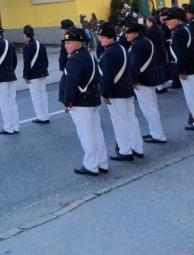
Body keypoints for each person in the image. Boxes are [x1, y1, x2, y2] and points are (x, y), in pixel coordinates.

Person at [60, 28, 108, 176]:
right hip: (92, 99)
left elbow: (71, 83)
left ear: (77, 43)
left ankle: (90, 165)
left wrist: (68, 101)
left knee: (86, 134)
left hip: (81, 102)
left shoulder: (75, 60)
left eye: (68, 43)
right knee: (96, 132)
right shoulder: (89, 56)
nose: (65, 46)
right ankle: (102, 162)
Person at [98, 23, 145, 162]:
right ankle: (138, 147)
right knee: (131, 118)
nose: (100, 40)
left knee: (120, 121)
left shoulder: (108, 54)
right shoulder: (122, 49)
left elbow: (107, 77)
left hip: (116, 93)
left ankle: (125, 150)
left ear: (110, 38)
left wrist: (105, 94)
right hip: (127, 90)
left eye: (102, 37)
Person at [167, 9, 194, 130]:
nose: (167, 23)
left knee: (193, 96)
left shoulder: (179, 33)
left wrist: (182, 71)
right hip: (193, 66)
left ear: (177, 20)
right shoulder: (184, 29)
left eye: (169, 20)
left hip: (188, 69)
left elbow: (181, 54)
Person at [125, 23, 166, 145]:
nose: (126, 35)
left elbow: (135, 65)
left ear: (137, 33)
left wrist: (133, 80)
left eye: (129, 33)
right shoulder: (146, 41)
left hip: (142, 81)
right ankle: (155, 131)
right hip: (150, 77)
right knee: (152, 108)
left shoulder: (137, 46)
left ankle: (158, 134)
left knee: (149, 109)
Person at [19, 25, 50, 124]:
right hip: (43, 72)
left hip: (33, 74)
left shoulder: (27, 47)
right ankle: (46, 115)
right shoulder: (41, 44)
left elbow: (27, 63)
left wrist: (25, 75)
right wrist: (45, 69)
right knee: (43, 94)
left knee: (36, 96)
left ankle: (41, 116)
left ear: (26, 35)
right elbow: (46, 60)